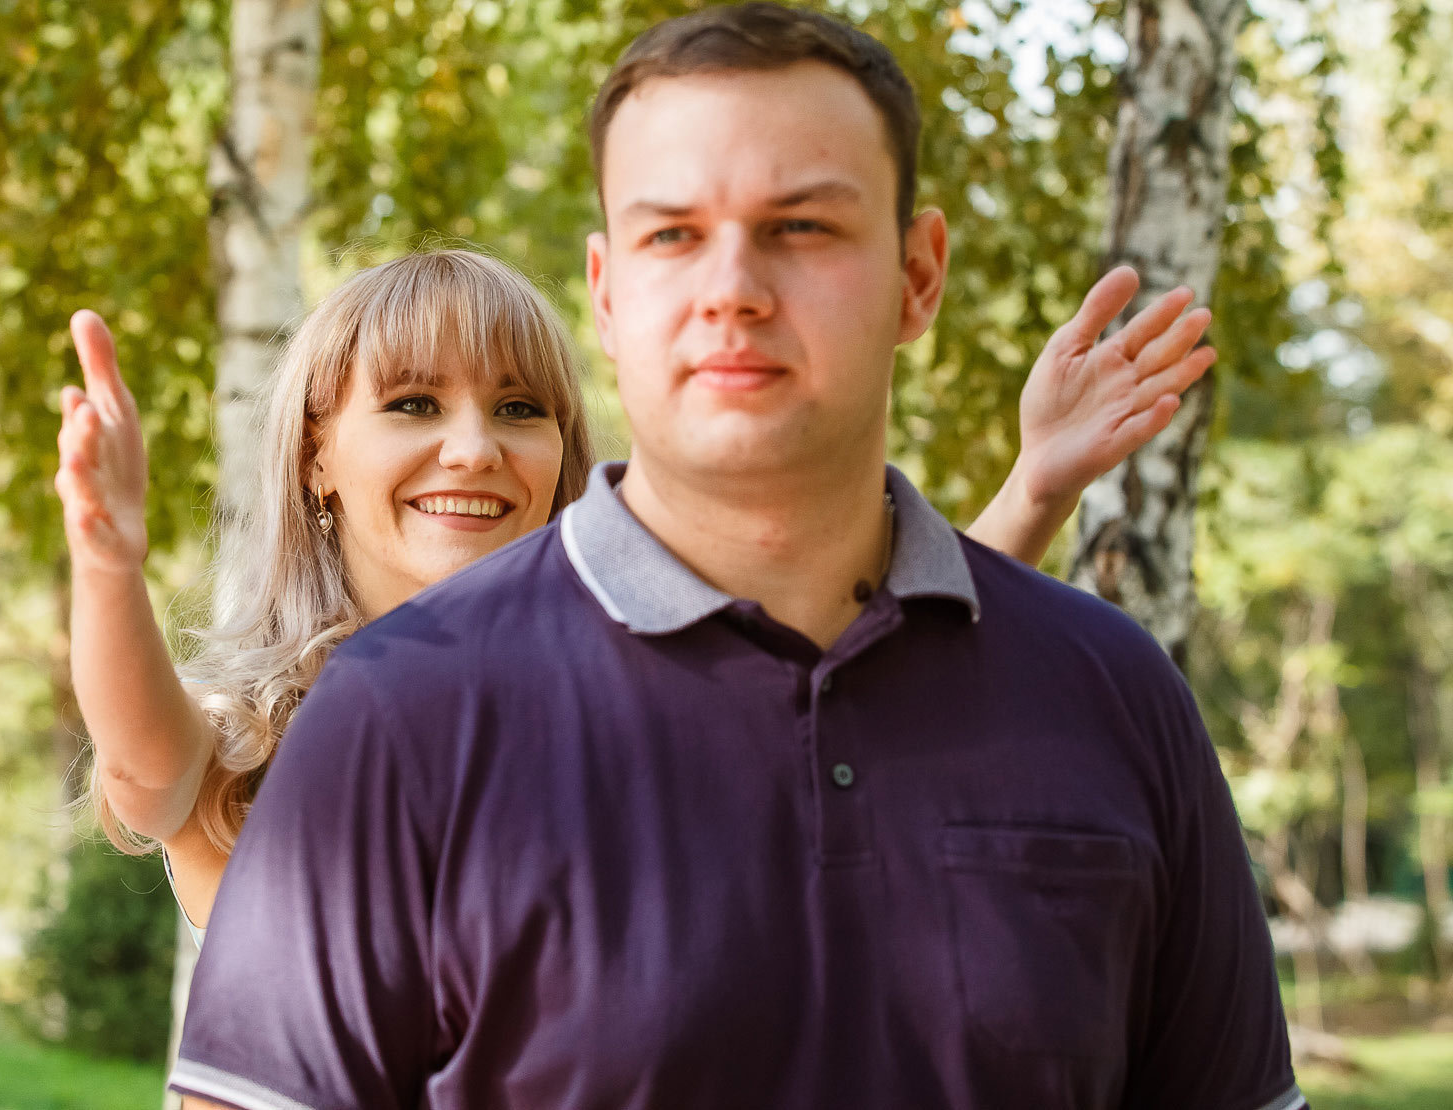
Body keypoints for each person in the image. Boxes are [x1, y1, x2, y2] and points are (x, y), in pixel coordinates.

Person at [162, 3, 1298, 1110]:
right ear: (607, 294)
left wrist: (1033, 484)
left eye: (801, 226)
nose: (734, 291)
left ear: (917, 275)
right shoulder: (385, 718)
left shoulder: (1115, 694)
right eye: (673, 234)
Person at [61, 249, 1207, 934]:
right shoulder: (259, 742)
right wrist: (108, 561)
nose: (472, 448)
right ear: (315, 452)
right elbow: (147, 767)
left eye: (518, 409)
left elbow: (874, 657)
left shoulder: (648, 702)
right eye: (411, 404)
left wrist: (1034, 484)